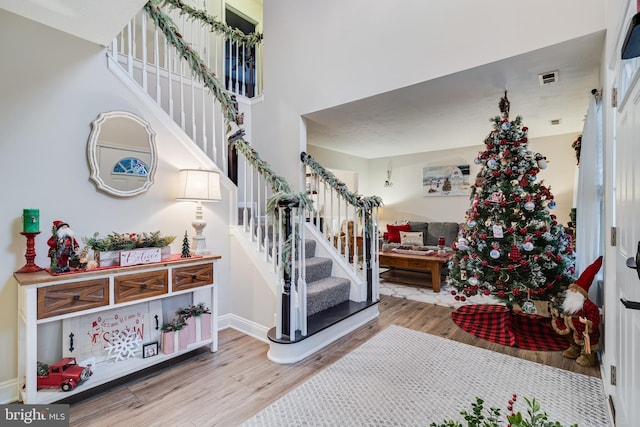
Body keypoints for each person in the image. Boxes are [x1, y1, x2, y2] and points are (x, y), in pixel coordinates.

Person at [551, 256, 603, 367]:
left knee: (587, 340)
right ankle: (574, 348)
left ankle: (587, 356)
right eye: (572, 289)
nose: (573, 291)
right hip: (572, 328)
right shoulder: (569, 303)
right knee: (569, 334)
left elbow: (594, 319)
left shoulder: (588, 305)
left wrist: (587, 324)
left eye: (575, 290)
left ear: (581, 293)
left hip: (584, 331)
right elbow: (562, 313)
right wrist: (558, 315)